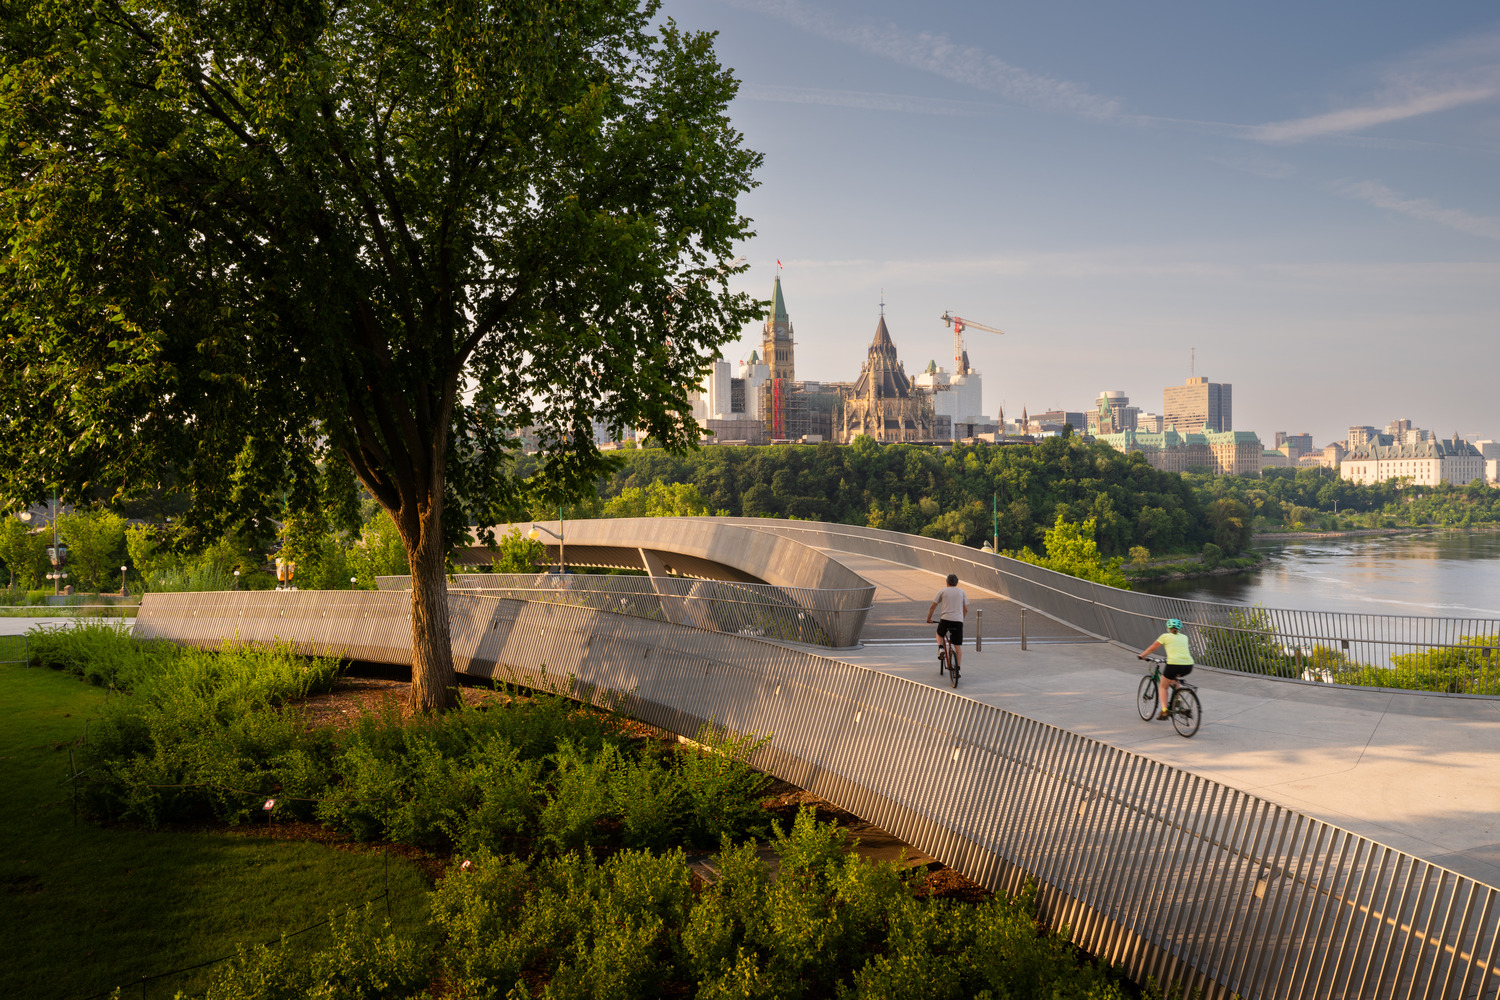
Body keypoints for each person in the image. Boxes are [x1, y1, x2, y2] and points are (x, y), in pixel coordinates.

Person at [1139, 618, 1192, 719]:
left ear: (1168, 628)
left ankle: (1164, 711)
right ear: (1179, 629)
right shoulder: (1185, 637)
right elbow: (1179, 650)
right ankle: (1178, 701)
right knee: (1174, 680)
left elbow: (1153, 647)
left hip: (1174, 664)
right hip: (1188, 665)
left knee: (1163, 686)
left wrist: (1143, 655)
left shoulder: (1165, 636)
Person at [926, 573, 969, 672]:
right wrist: (961, 619)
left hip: (945, 619)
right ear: (957, 583)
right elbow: (966, 609)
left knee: (939, 634)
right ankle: (958, 669)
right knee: (957, 647)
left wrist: (929, 619)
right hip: (958, 621)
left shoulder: (943, 591)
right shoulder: (961, 592)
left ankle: (941, 648)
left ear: (947, 582)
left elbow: (933, 606)